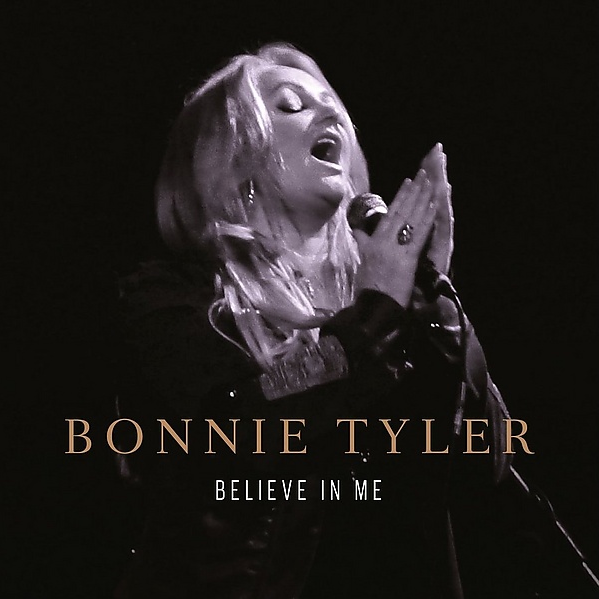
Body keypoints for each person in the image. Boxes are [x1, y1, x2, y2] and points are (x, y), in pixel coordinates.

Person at [115, 42, 512, 599]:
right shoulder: (171, 299)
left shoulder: (388, 307)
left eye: (331, 102)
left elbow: (488, 466)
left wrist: (433, 307)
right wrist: (375, 317)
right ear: (231, 160)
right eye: (290, 104)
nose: (328, 110)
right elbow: (237, 425)